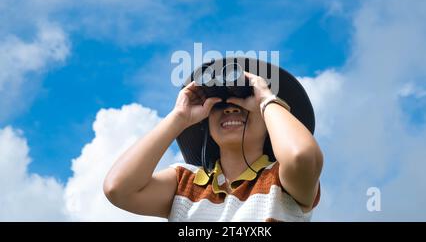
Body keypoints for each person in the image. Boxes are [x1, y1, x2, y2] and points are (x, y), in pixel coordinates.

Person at [103, 57, 323, 221]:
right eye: (219, 103)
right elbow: (118, 189)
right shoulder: (184, 184)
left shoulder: (283, 180)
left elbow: (301, 156)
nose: (230, 108)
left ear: (268, 119)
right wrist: (179, 117)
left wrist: (265, 98)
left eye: (243, 99)